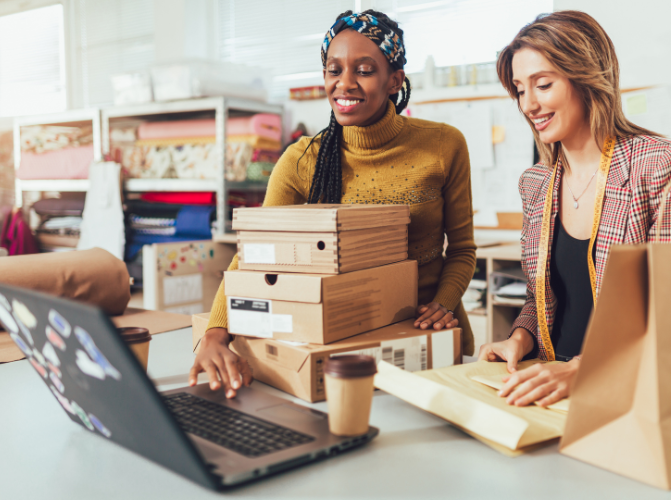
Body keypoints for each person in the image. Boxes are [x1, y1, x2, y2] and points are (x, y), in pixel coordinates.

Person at [190, 10, 477, 397]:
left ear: (395, 80)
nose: (345, 84)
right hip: (343, 341)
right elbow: (254, 257)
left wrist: (444, 302)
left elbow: (461, 250)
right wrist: (215, 331)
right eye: (333, 69)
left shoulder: (443, 145)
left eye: (364, 69)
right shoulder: (301, 160)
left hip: (427, 341)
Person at [478, 11, 671, 407]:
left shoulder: (660, 164)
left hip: (634, 391)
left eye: (543, 84)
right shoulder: (535, 183)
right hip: (550, 389)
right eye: (519, 89)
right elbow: (542, 299)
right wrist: (520, 338)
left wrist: (584, 368)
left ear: (585, 77)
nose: (529, 104)